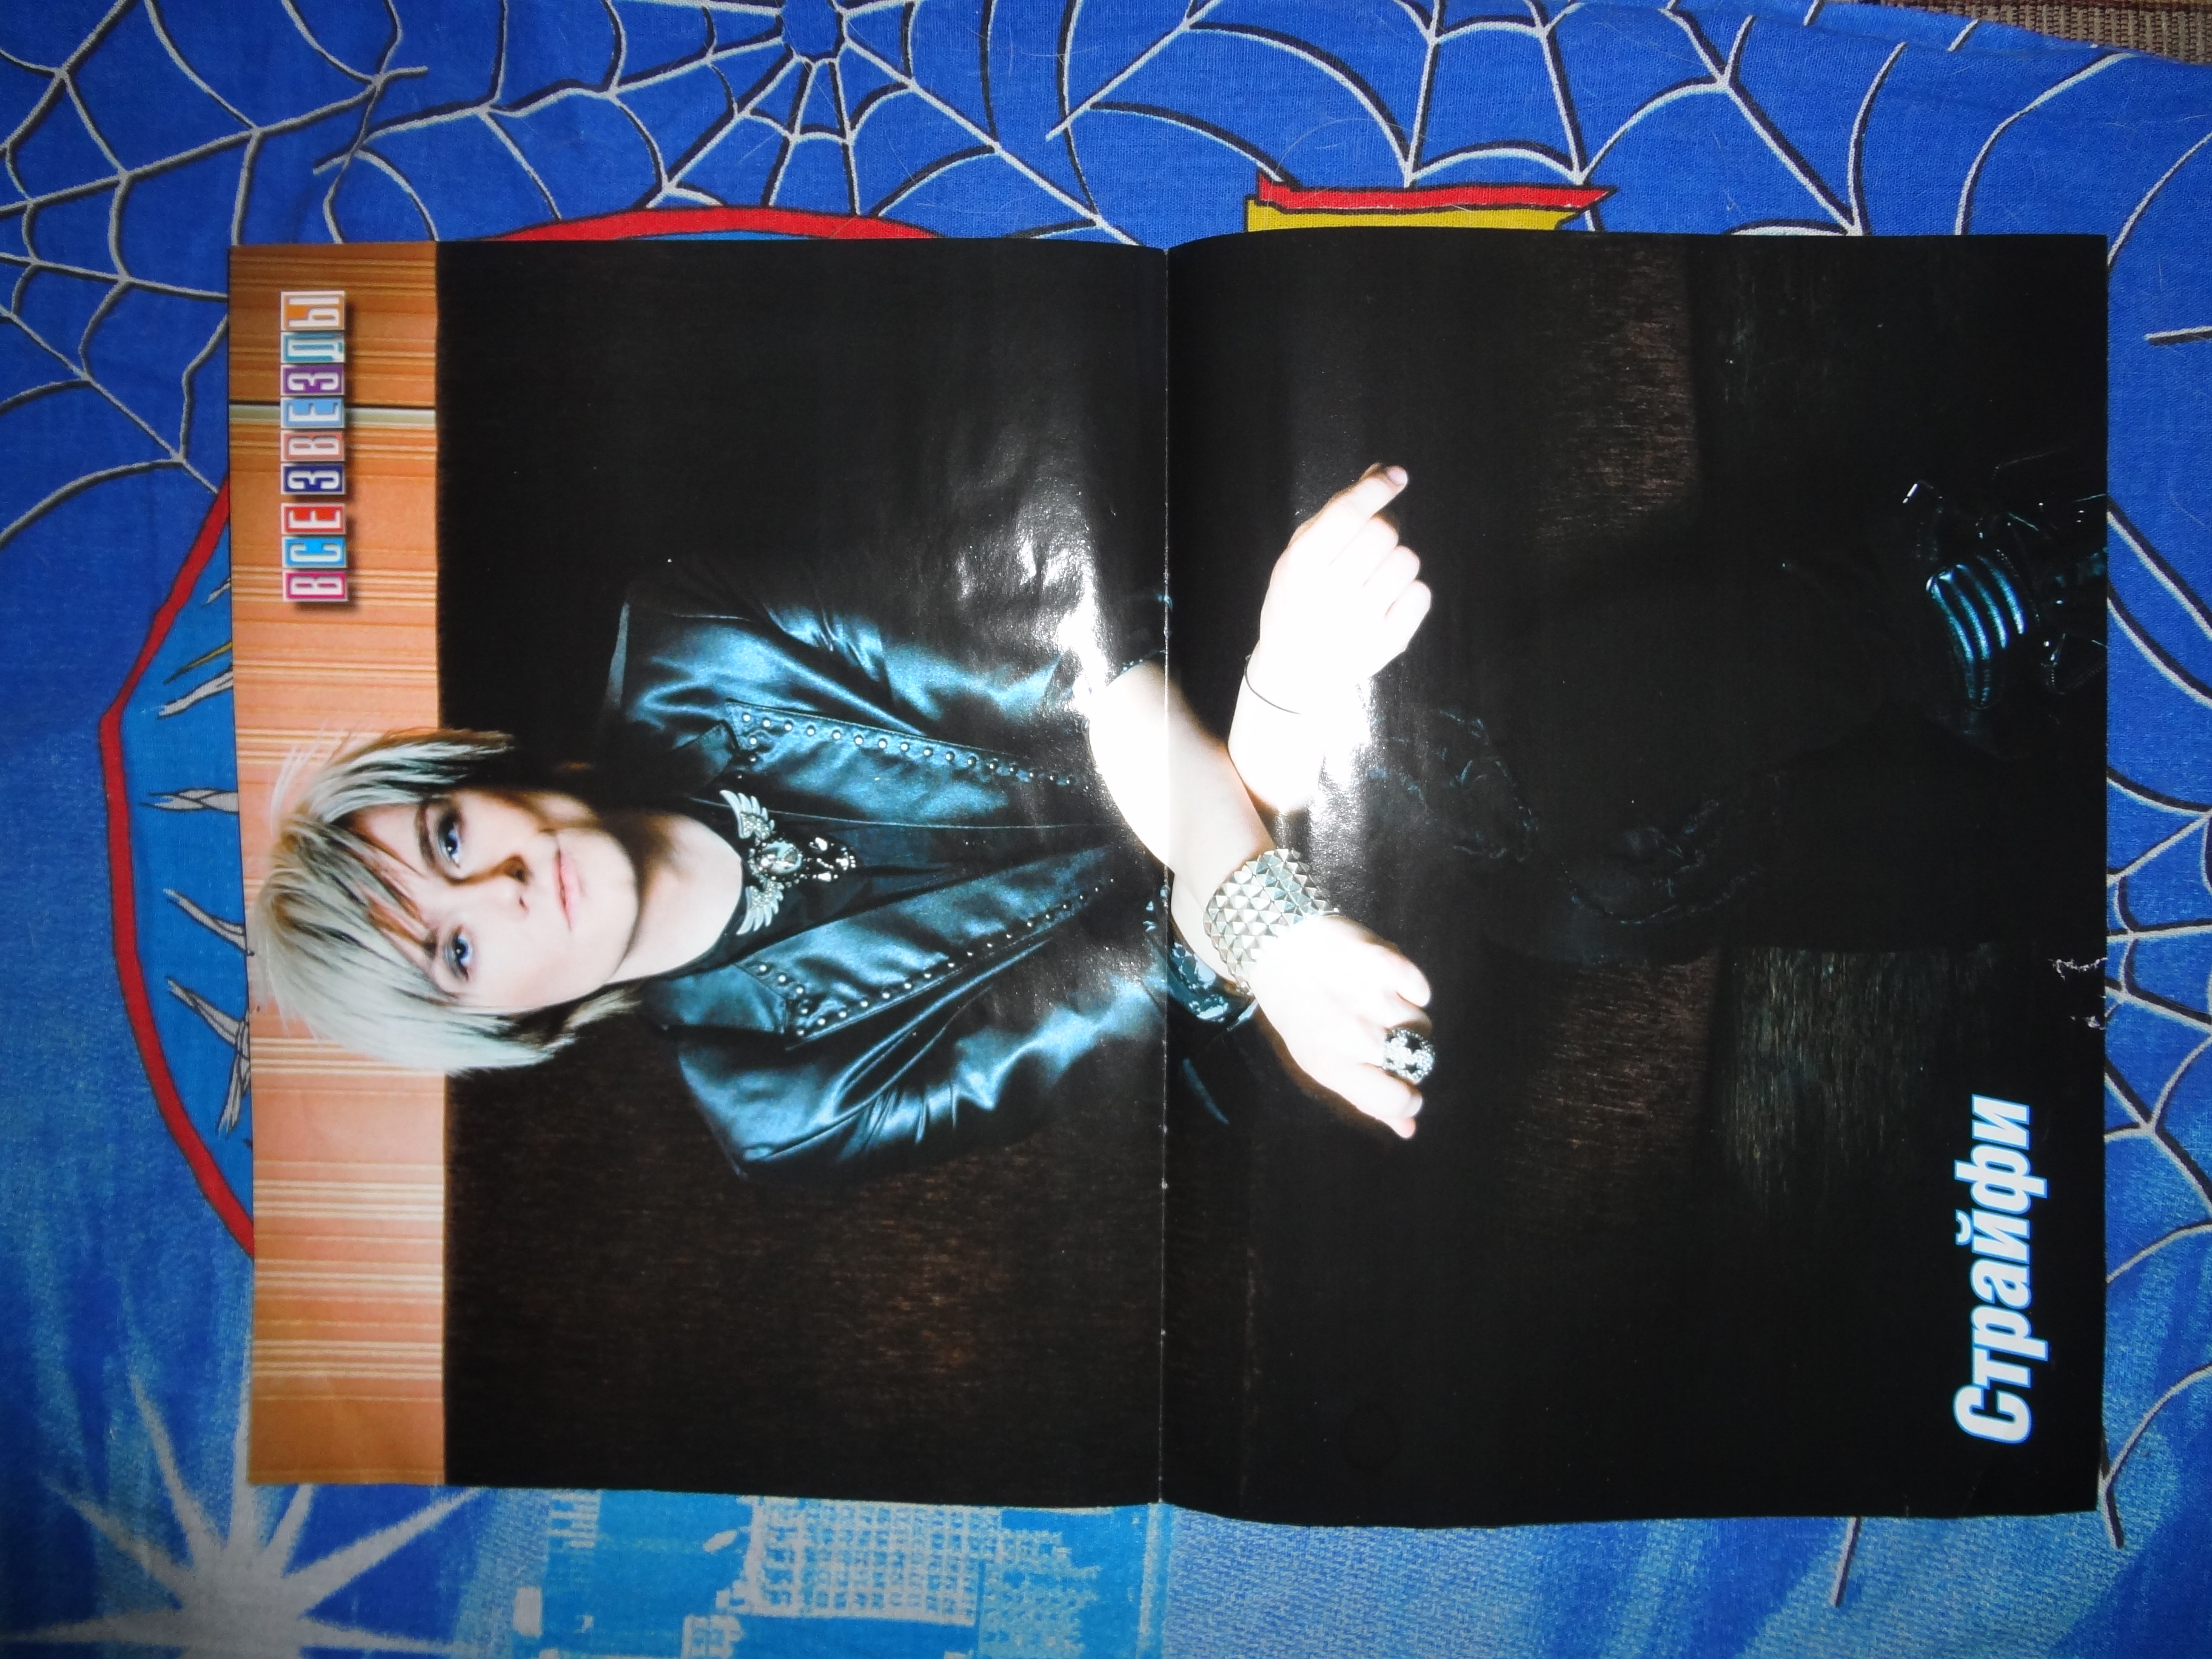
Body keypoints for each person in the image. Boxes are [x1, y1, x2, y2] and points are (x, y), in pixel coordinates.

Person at [254, 468, 1438, 1182]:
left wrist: (1281, 702)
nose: (503, 886)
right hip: (1294, 991)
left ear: (479, 779)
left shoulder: (695, 641)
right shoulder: (785, 1112)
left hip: (1242, 655)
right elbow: (1150, 980)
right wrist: (1281, 728)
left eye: (448, 840)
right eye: (457, 950)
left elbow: (1075, 668)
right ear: (502, 1026)